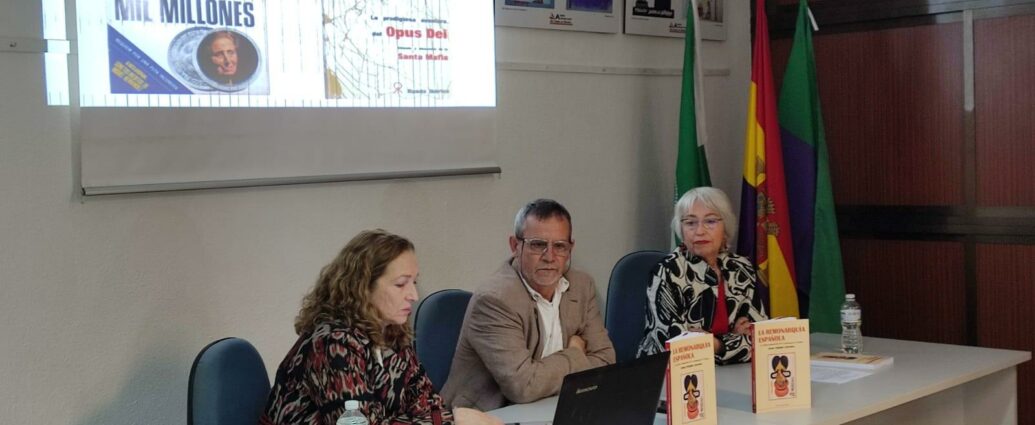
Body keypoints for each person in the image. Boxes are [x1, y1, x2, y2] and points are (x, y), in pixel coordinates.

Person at [260, 229, 501, 425]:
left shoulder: (392, 331)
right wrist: (452, 420)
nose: (414, 295)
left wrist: (443, 419)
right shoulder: (333, 344)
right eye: (400, 284)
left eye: (414, 282)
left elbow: (426, 404)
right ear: (363, 288)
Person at [441, 199, 616, 411]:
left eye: (559, 246)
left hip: (554, 408)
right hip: (490, 416)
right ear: (515, 246)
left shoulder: (581, 285)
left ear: (570, 249)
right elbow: (522, 386)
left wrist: (542, 374)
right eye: (538, 245)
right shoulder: (495, 300)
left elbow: (605, 362)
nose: (550, 257)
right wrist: (575, 353)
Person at [637, 187, 767, 364]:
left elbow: (762, 341)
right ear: (681, 230)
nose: (700, 231)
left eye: (710, 221)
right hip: (667, 378)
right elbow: (678, 350)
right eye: (690, 223)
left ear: (725, 228)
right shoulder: (667, 272)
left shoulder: (741, 268)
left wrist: (716, 344)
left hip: (729, 375)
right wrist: (732, 340)